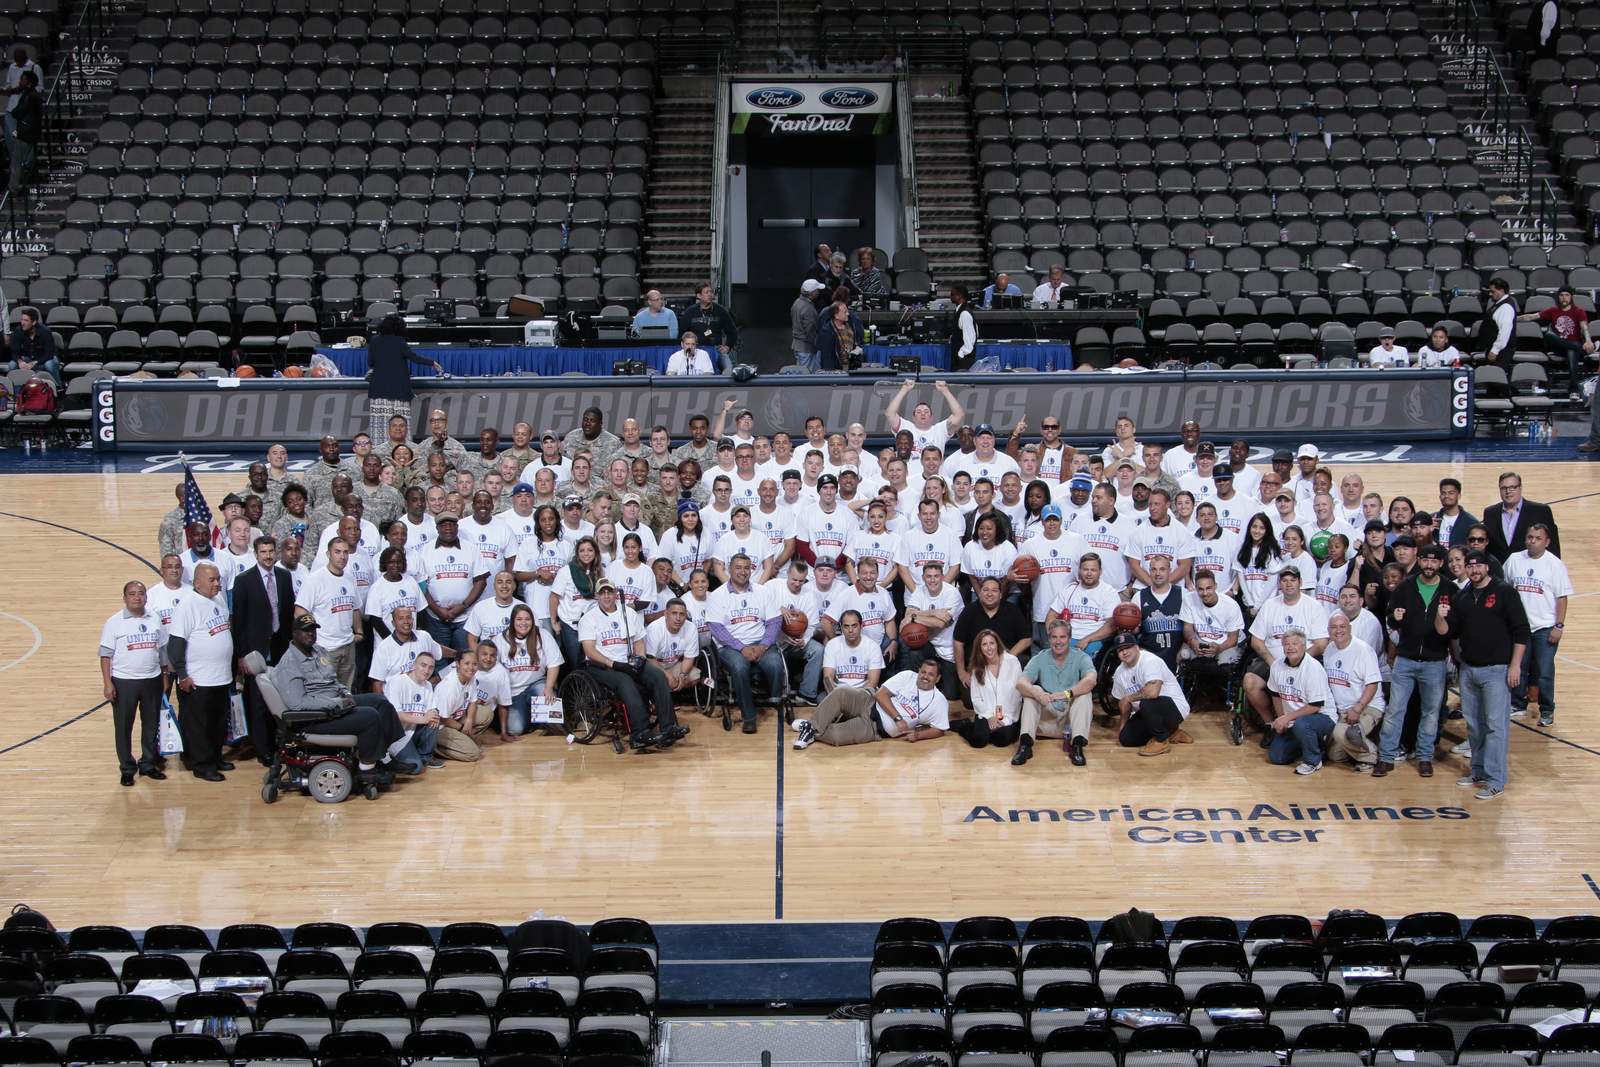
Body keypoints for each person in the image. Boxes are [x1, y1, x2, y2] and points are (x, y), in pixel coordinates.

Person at [1439, 550, 1531, 800]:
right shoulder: (1463, 596)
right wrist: (1440, 617)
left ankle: (1495, 779)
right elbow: (1449, 632)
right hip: (1469, 669)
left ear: (1487, 567)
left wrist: (1515, 666)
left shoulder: (1504, 592)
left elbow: (1521, 631)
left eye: (1479, 565)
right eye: (1470, 566)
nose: (1474, 570)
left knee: (1495, 726)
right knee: (1475, 726)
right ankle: (1478, 771)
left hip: (1497, 670)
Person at [270, 614, 405, 779]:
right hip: (317, 717)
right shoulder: (289, 664)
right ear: (294, 633)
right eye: (306, 631)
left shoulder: (318, 650)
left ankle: (384, 757)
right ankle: (367, 768)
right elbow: (298, 704)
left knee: (380, 702)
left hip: (337, 703)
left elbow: (332, 680)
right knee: (370, 716)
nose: (311, 634)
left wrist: (345, 693)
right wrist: (337, 703)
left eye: (313, 630)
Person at [579, 578, 688, 751]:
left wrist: (641, 658)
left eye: (610, 592)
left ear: (616, 593)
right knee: (625, 682)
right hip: (601, 665)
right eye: (603, 593)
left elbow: (638, 641)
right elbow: (589, 650)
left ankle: (669, 727)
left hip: (627, 661)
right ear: (597, 596)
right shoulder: (589, 618)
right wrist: (612, 663)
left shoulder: (629, 614)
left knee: (657, 675)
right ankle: (640, 733)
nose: (607, 596)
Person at [1372, 544, 1451, 778]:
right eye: (1425, 560)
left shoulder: (1449, 589)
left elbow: (1452, 628)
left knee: (1430, 712)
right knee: (1395, 709)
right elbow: (1391, 621)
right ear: (1420, 560)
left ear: (1441, 564)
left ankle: (1425, 757)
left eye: (1434, 561)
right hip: (1405, 660)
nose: (1429, 565)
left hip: (1435, 661)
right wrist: (1395, 620)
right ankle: (1386, 757)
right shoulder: (1406, 586)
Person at [167, 563, 237, 782]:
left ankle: (215, 757)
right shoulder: (187, 606)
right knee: (199, 725)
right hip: (198, 679)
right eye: (212, 580)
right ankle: (202, 765)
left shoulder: (219, 599)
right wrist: (182, 675)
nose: (217, 584)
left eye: (218, 579)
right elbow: (175, 645)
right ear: (197, 583)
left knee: (218, 722)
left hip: (221, 676)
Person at [231, 535, 296, 763]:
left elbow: (288, 615)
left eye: (271, 551)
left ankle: (281, 744)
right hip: (256, 651)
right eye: (263, 552)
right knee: (258, 701)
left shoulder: (285, 576)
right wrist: (241, 655)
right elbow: (238, 622)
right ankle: (263, 750)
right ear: (256, 554)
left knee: (280, 698)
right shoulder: (243, 580)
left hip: (280, 648)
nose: (268, 556)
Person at [99, 580, 168, 787]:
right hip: (124, 682)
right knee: (123, 727)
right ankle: (127, 768)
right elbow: (105, 655)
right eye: (132, 594)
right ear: (125, 598)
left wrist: (164, 675)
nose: (137, 597)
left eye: (140, 593)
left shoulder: (155, 618)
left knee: (150, 725)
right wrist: (107, 683)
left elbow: (162, 650)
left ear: (146, 597)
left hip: (152, 680)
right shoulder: (114, 622)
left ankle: (147, 763)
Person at [792, 658, 948, 748]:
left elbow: (940, 729)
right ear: (919, 670)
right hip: (869, 702)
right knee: (841, 692)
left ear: (938, 678)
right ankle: (812, 727)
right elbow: (881, 695)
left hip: (875, 728)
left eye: (931, 674)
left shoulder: (939, 701)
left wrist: (919, 735)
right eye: (923, 672)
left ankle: (812, 726)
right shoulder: (908, 675)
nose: (925, 677)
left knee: (836, 737)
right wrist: (898, 718)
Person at [708, 553, 785, 734]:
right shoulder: (718, 595)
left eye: (746, 568)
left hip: (760, 642)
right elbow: (716, 628)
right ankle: (749, 716)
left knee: (774, 663)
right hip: (730, 646)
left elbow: (775, 621)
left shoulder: (762, 591)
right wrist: (741, 647)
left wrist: (763, 645)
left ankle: (774, 703)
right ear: (729, 569)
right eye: (738, 567)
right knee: (740, 667)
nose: (743, 572)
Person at [1505, 523, 1570, 727]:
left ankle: (1547, 709)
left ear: (1547, 542)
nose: (1532, 541)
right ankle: (1517, 703)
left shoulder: (1554, 564)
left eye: (1537, 538)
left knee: (1544, 671)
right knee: (1519, 668)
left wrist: (1558, 626)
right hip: (1520, 627)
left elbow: (1561, 597)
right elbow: (1505, 588)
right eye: (1530, 537)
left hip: (1545, 628)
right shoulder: (1515, 560)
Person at [1013, 619, 1097, 766]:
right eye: (1054, 637)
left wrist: (1067, 694)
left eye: (1062, 637)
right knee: (1033, 691)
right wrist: (1038, 694)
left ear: (1069, 639)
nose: (1058, 641)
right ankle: (1025, 745)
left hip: (1070, 722)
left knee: (1084, 694)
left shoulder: (1081, 657)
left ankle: (1077, 746)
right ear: (1049, 638)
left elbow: (1091, 680)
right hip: (1046, 718)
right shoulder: (1040, 658)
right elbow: (1021, 683)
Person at [295, 536, 366, 690]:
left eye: (345, 552)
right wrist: (311, 639)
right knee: (325, 692)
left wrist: (359, 632)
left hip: (348, 645)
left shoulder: (350, 578)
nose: (342, 556)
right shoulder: (314, 580)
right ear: (328, 554)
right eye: (337, 552)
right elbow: (300, 611)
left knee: (347, 692)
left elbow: (355, 608)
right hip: (325, 648)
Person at [1264, 628, 1336, 775]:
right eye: (1286, 644)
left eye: (1295, 644)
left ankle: (1313, 761)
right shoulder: (1277, 666)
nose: (1290, 647)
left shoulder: (1313, 668)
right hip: (1294, 720)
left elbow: (1315, 706)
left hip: (1322, 717)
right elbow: (1275, 694)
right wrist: (1281, 718)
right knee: (1276, 757)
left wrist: (1287, 718)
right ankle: (1314, 747)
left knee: (1302, 724)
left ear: (1304, 646)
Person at [1109, 630, 1192, 756]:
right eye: (1120, 650)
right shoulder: (1119, 672)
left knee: (1147, 702)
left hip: (1175, 707)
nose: (1124, 652)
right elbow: (1123, 703)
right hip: (1148, 713)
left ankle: (1161, 740)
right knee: (1126, 739)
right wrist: (1122, 727)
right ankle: (1172, 732)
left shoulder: (1150, 661)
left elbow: (1153, 693)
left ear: (1137, 647)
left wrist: (1129, 698)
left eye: (1128, 647)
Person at [1321, 612, 1385, 772]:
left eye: (1342, 627)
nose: (1338, 631)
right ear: (1328, 631)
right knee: (1334, 755)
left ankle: (1373, 757)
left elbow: (1373, 684)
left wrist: (1358, 708)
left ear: (1350, 628)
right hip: (1342, 711)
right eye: (1334, 627)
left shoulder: (1363, 650)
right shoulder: (1329, 649)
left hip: (1367, 707)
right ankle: (1358, 741)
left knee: (1341, 733)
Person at [364, 314, 442, 443]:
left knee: (381, 426)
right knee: (400, 425)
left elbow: (371, 362)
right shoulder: (399, 341)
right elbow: (414, 357)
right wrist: (432, 363)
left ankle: (379, 453)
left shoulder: (374, 340)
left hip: (378, 391)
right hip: (398, 391)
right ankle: (403, 452)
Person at [419, 515, 488, 654]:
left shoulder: (471, 549)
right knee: (437, 660)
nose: (448, 528)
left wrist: (462, 607)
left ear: (457, 527)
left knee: (466, 659)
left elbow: (481, 581)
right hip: (435, 618)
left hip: (466, 617)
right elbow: (421, 585)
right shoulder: (425, 550)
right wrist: (438, 610)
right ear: (437, 528)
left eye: (452, 525)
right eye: (444, 525)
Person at [1519, 285, 1593, 395]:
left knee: (1571, 351)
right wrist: (1512, 318)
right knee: (1549, 335)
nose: (1564, 298)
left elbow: (1584, 327)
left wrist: (1588, 340)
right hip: (1560, 347)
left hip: (1573, 346)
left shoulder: (1578, 311)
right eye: (1561, 295)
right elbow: (1531, 317)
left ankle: (1574, 389)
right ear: (1558, 297)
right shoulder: (1553, 311)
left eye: (1567, 295)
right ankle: (1580, 348)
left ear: (1571, 297)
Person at [957, 629, 1023, 750]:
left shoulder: (1012, 662)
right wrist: (990, 717)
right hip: (986, 712)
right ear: (979, 648)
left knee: (1002, 739)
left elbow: (1017, 695)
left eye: (992, 643)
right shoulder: (977, 668)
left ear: (997, 644)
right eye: (984, 644)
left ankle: (988, 732)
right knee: (978, 740)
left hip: (1008, 714)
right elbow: (976, 698)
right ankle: (964, 725)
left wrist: (1005, 720)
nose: (989, 648)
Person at [1482, 470, 1561, 561]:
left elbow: (1553, 546)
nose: (1508, 491)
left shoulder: (1540, 511)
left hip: (1530, 569)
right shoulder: (1490, 513)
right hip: (1499, 571)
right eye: (1504, 488)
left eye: (1512, 487)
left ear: (1520, 488)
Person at [884, 378, 966, 452]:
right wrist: (904, 389)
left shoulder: (940, 430)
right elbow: (889, 414)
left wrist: (945, 390)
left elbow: (959, 415)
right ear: (913, 417)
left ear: (931, 417)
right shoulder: (905, 427)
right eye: (918, 412)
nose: (923, 413)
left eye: (926, 412)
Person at [680, 283, 739, 371]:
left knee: (728, 369)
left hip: (716, 349)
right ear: (699, 295)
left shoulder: (720, 310)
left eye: (711, 292)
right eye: (706, 292)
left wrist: (728, 346)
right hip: (696, 349)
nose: (710, 294)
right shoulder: (690, 312)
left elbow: (732, 331)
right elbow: (682, 333)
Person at [5, 304, 59, 384]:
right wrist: (20, 362)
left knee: (49, 365)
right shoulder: (18, 331)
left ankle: (57, 387)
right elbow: (14, 352)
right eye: (22, 320)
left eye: (26, 320)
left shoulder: (45, 331)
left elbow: (49, 354)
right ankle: (14, 390)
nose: (22, 323)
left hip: (45, 359)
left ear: (34, 322)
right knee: (12, 365)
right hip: (28, 358)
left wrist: (34, 363)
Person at [7, 70, 39, 198]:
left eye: (23, 79)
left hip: (26, 133)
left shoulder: (30, 96)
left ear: (29, 83)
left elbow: (17, 112)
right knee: (22, 161)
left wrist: (16, 113)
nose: (20, 81)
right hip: (29, 132)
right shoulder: (29, 94)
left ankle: (13, 189)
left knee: (16, 162)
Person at [1478, 276, 1518, 370]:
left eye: (1493, 291)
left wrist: (1495, 350)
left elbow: (1504, 331)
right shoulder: (1500, 304)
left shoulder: (1506, 307)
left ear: (1502, 290)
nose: (1490, 294)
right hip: (1496, 350)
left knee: (1497, 381)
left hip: (1501, 353)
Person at [816, 299, 862, 371]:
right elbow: (827, 358)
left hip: (851, 367)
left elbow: (856, 342)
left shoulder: (851, 324)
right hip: (836, 370)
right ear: (836, 315)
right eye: (845, 312)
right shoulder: (827, 331)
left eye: (847, 311)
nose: (848, 314)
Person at [791, 279, 826, 371]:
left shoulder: (797, 302)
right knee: (807, 376)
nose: (818, 292)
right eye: (817, 290)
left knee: (801, 372)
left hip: (798, 346)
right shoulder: (808, 308)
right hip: (807, 348)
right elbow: (810, 331)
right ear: (812, 293)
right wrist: (817, 345)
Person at [949, 284, 977, 370]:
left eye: (952, 294)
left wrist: (961, 354)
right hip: (959, 356)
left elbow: (971, 337)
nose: (950, 297)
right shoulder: (959, 311)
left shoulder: (964, 314)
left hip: (964, 359)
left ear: (960, 296)